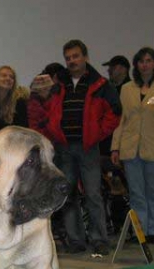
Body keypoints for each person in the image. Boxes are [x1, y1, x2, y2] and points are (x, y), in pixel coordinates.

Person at [41, 39, 120, 255]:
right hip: (64, 147)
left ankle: (99, 239)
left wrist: (97, 133)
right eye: (68, 58)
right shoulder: (59, 85)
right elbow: (47, 110)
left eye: (75, 56)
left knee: (94, 193)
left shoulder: (101, 84)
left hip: (88, 147)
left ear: (85, 56)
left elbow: (115, 113)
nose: (72, 61)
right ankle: (75, 239)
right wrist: (53, 131)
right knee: (67, 195)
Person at [111, 47, 154, 245]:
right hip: (130, 148)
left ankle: (153, 230)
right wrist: (116, 147)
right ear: (136, 65)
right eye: (141, 61)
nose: (145, 64)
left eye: (148, 60)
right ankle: (140, 233)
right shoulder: (127, 89)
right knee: (136, 193)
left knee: (153, 190)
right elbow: (121, 120)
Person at [0, 65, 28, 133]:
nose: (8, 78)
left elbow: (23, 130)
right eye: (4, 75)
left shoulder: (19, 103)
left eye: (11, 77)